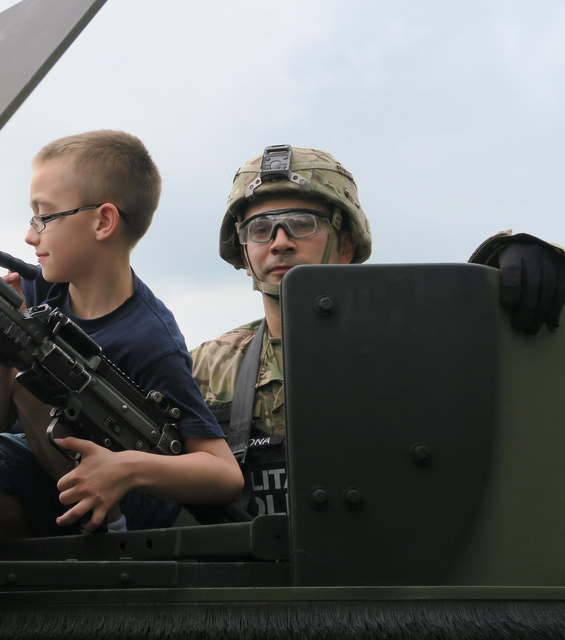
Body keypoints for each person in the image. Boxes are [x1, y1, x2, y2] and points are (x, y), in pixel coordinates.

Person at [190, 144, 565, 520]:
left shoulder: (405, 345)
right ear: (242, 252)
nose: (280, 242)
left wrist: (512, 264)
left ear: (346, 244)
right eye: (260, 229)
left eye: (302, 224)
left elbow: (480, 354)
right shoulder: (206, 366)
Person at [0, 130, 242, 542]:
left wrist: (125, 469)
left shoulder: (150, 339)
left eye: (45, 216)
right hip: (47, 478)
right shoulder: (37, 293)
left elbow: (223, 473)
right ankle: (37, 567)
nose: (29, 235)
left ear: (103, 222)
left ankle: (93, 555)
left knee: (40, 373)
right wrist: (2, 335)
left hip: (128, 495)